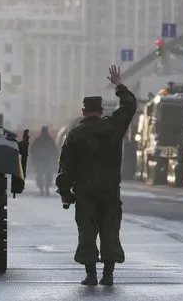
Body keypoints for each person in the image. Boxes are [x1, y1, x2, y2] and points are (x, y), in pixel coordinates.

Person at [55, 65, 137, 286]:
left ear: (83, 111)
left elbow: (66, 167)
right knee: (110, 231)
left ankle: (90, 275)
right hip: (109, 190)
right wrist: (118, 85)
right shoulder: (112, 128)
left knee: (87, 232)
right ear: (101, 111)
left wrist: (65, 192)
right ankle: (108, 275)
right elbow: (130, 106)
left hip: (85, 193)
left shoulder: (75, 134)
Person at [30, 126, 59, 196]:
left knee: (47, 176)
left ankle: (45, 189)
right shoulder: (46, 140)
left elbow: (54, 151)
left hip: (45, 161)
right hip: (41, 161)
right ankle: (43, 189)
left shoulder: (41, 140)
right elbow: (33, 151)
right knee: (42, 176)